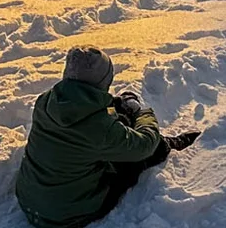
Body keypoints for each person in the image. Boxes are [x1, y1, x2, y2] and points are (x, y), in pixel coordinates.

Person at [14, 45, 200, 228]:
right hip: (65, 217)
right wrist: (141, 113)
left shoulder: (46, 101)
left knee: (117, 129)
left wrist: (114, 107)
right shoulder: (98, 130)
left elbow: (88, 121)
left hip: (30, 200)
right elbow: (145, 144)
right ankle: (169, 144)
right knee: (143, 155)